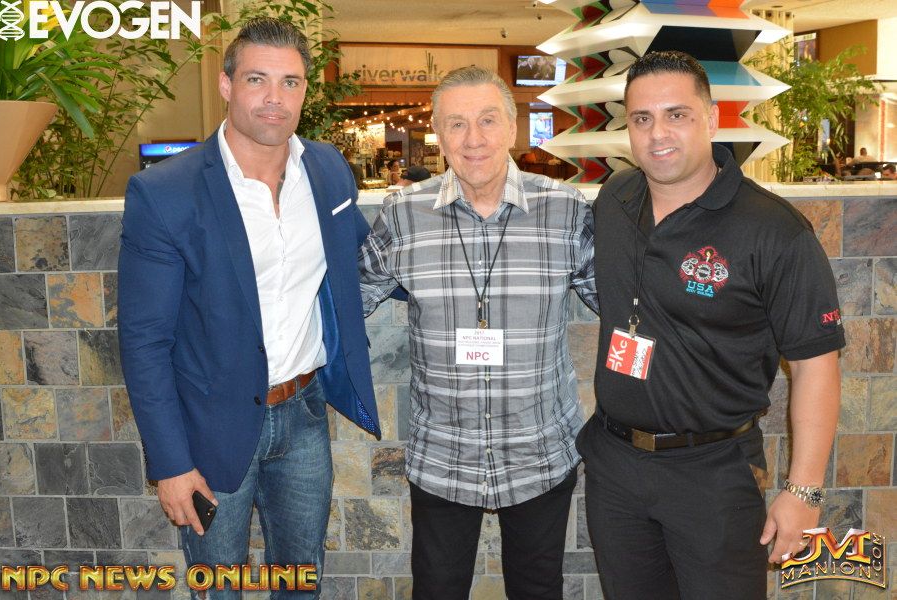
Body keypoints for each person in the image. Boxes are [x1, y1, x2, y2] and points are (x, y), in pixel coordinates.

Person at [117, 17, 383, 599]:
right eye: (257, 79)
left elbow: (366, 257)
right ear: (227, 85)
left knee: (302, 580)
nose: (274, 98)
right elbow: (144, 341)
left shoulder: (328, 170)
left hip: (305, 414)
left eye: (290, 82)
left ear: (305, 91)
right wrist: (170, 463)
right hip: (209, 429)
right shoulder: (166, 192)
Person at [578, 51, 844, 600]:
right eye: (642, 118)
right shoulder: (615, 198)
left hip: (714, 475)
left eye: (676, 115)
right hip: (616, 466)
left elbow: (815, 365)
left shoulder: (775, 231)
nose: (658, 134)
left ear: (713, 118)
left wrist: (803, 491)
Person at [358, 66, 597, 600]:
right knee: (437, 590)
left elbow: (618, 299)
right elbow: (351, 301)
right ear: (438, 135)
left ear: (512, 127)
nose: (473, 139)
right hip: (444, 454)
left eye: (488, 121)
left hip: (538, 451)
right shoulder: (403, 214)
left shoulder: (565, 209)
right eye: (457, 124)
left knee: (539, 590)